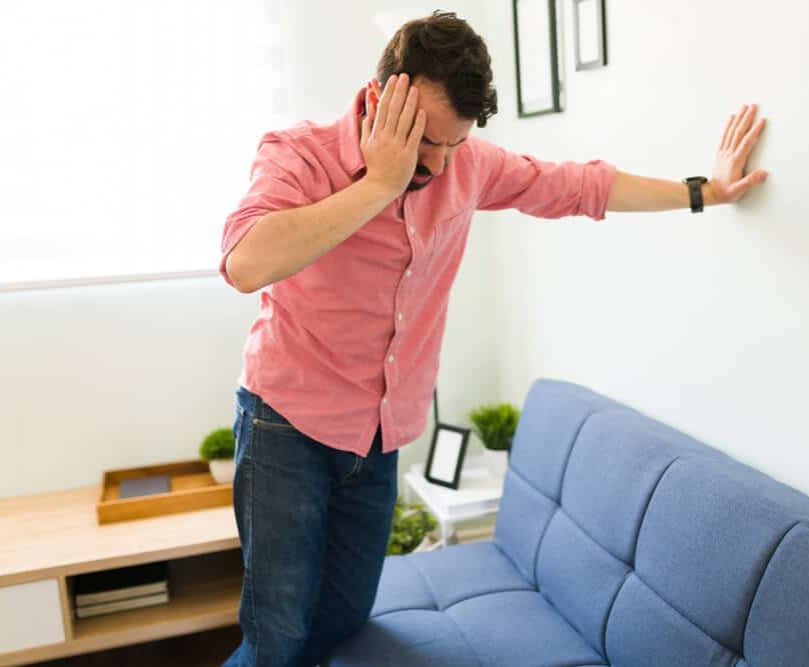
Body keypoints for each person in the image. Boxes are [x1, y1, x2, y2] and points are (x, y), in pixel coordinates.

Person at [219, 10, 768, 666]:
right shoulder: (297, 151)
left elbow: (579, 185)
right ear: (379, 97)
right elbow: (245, 261)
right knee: (276, 637)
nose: (440, 163)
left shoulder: (465, 165)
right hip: (288, 425)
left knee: (341, 620)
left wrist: (704, 190)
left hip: (378, 437)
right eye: (426, 142)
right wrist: (378, 186)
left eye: (454, 144)